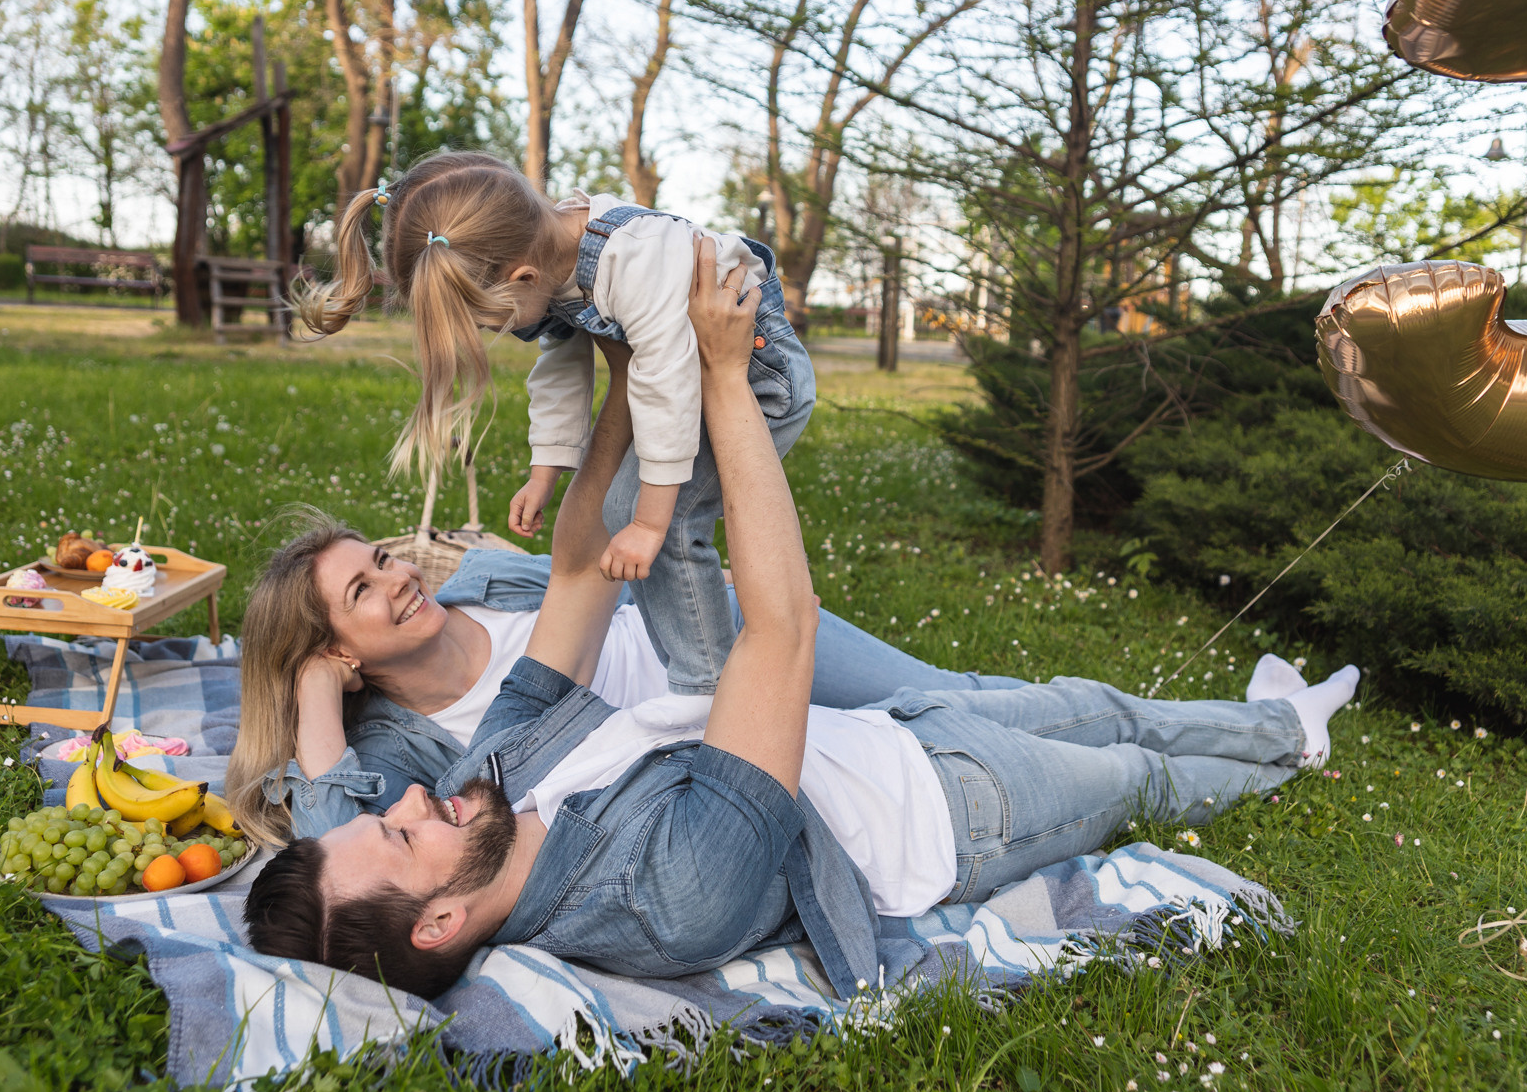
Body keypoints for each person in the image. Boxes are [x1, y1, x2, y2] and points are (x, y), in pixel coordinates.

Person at [244, 254, 1359, 1001]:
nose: (403, 799)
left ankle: (1268, 716)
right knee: (1127, 773)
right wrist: (725, 384)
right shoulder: (658, 894)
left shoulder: (494, 793)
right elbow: (779, 629)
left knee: (1094, 704)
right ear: (436, 925)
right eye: (396, 837)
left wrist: (629, 367)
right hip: (947, 810)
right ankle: (1289, 743)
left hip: (888, 733)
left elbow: (578, 570)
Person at [225, 335, 1026, 847]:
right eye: (362, 588)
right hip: (716, 744)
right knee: (933, 743)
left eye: (381, 557)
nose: (401, 574)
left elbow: (593, 555)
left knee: (952, 698)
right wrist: (314, 691)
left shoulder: (482, 577)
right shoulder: (406, 750)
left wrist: (621, 380)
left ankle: (1150, 728)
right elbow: (336, 849)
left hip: (729, 636)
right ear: (337, 650)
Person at [291, 150, 816, 705]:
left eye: (489, 320)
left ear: (523, 277)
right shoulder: (553, 255)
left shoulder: (633, 261)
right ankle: (708, 666)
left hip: (761, 380)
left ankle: (707, 690)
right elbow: (562, 365)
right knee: (626, 514)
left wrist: (649, 523)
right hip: (689, 385)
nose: (496, 331)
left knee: (662, 526)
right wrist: (545, 472)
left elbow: (663, 386)